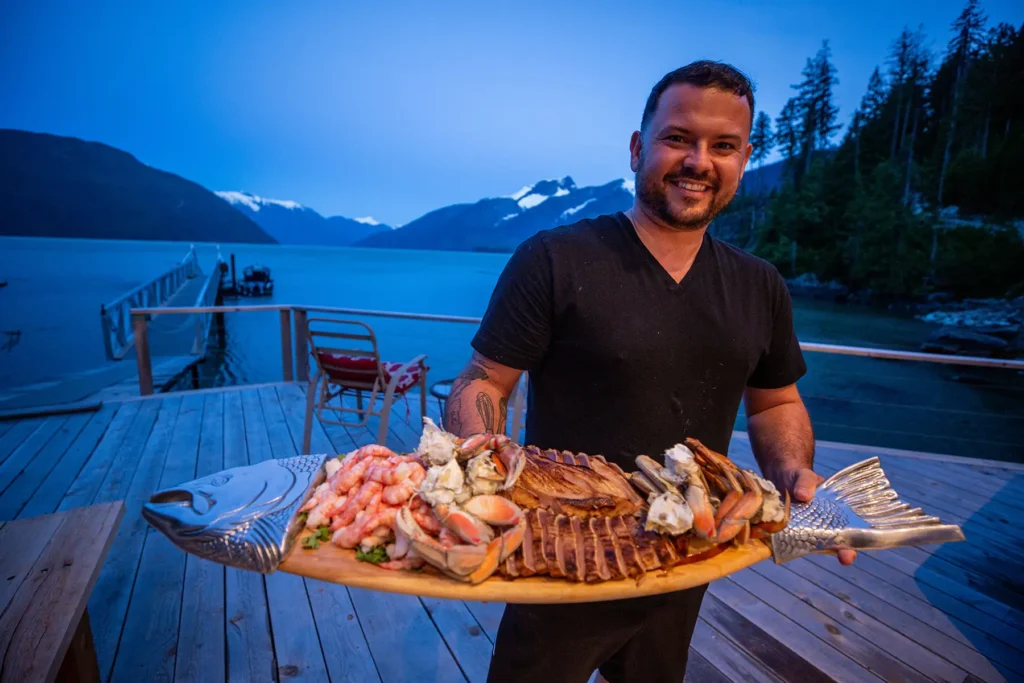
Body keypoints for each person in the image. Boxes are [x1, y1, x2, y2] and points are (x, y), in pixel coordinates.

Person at [444, 59, 857, 683]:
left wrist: (794, 471)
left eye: (723, 146)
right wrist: (482, 451)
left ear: (744, 159)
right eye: (678, 138)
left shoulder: (759, 285)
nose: (699, 161)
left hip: (687, 552)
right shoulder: (555, 258)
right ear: (639, 148)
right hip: (558, 555)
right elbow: (483, 379)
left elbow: (775, 403)